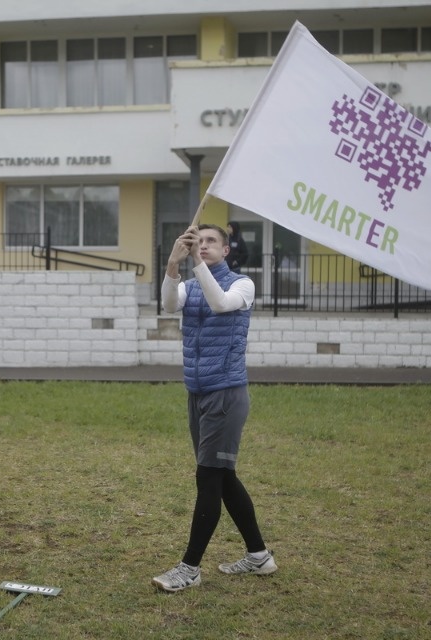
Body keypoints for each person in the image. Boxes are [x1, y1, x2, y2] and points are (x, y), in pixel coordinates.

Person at [152, 223, 276, 592]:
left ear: (225, 250)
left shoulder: (243, 284)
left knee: (208, 478)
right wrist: (172, 266)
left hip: (226, 393)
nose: (202, 246)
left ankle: (189, 568)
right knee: (222, 477)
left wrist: (194, 263)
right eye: (198, 241)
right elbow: (169, 303)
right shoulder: (190, 284)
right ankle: (259, 556)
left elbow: (220, 303)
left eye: (210, 242)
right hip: (198, 392)